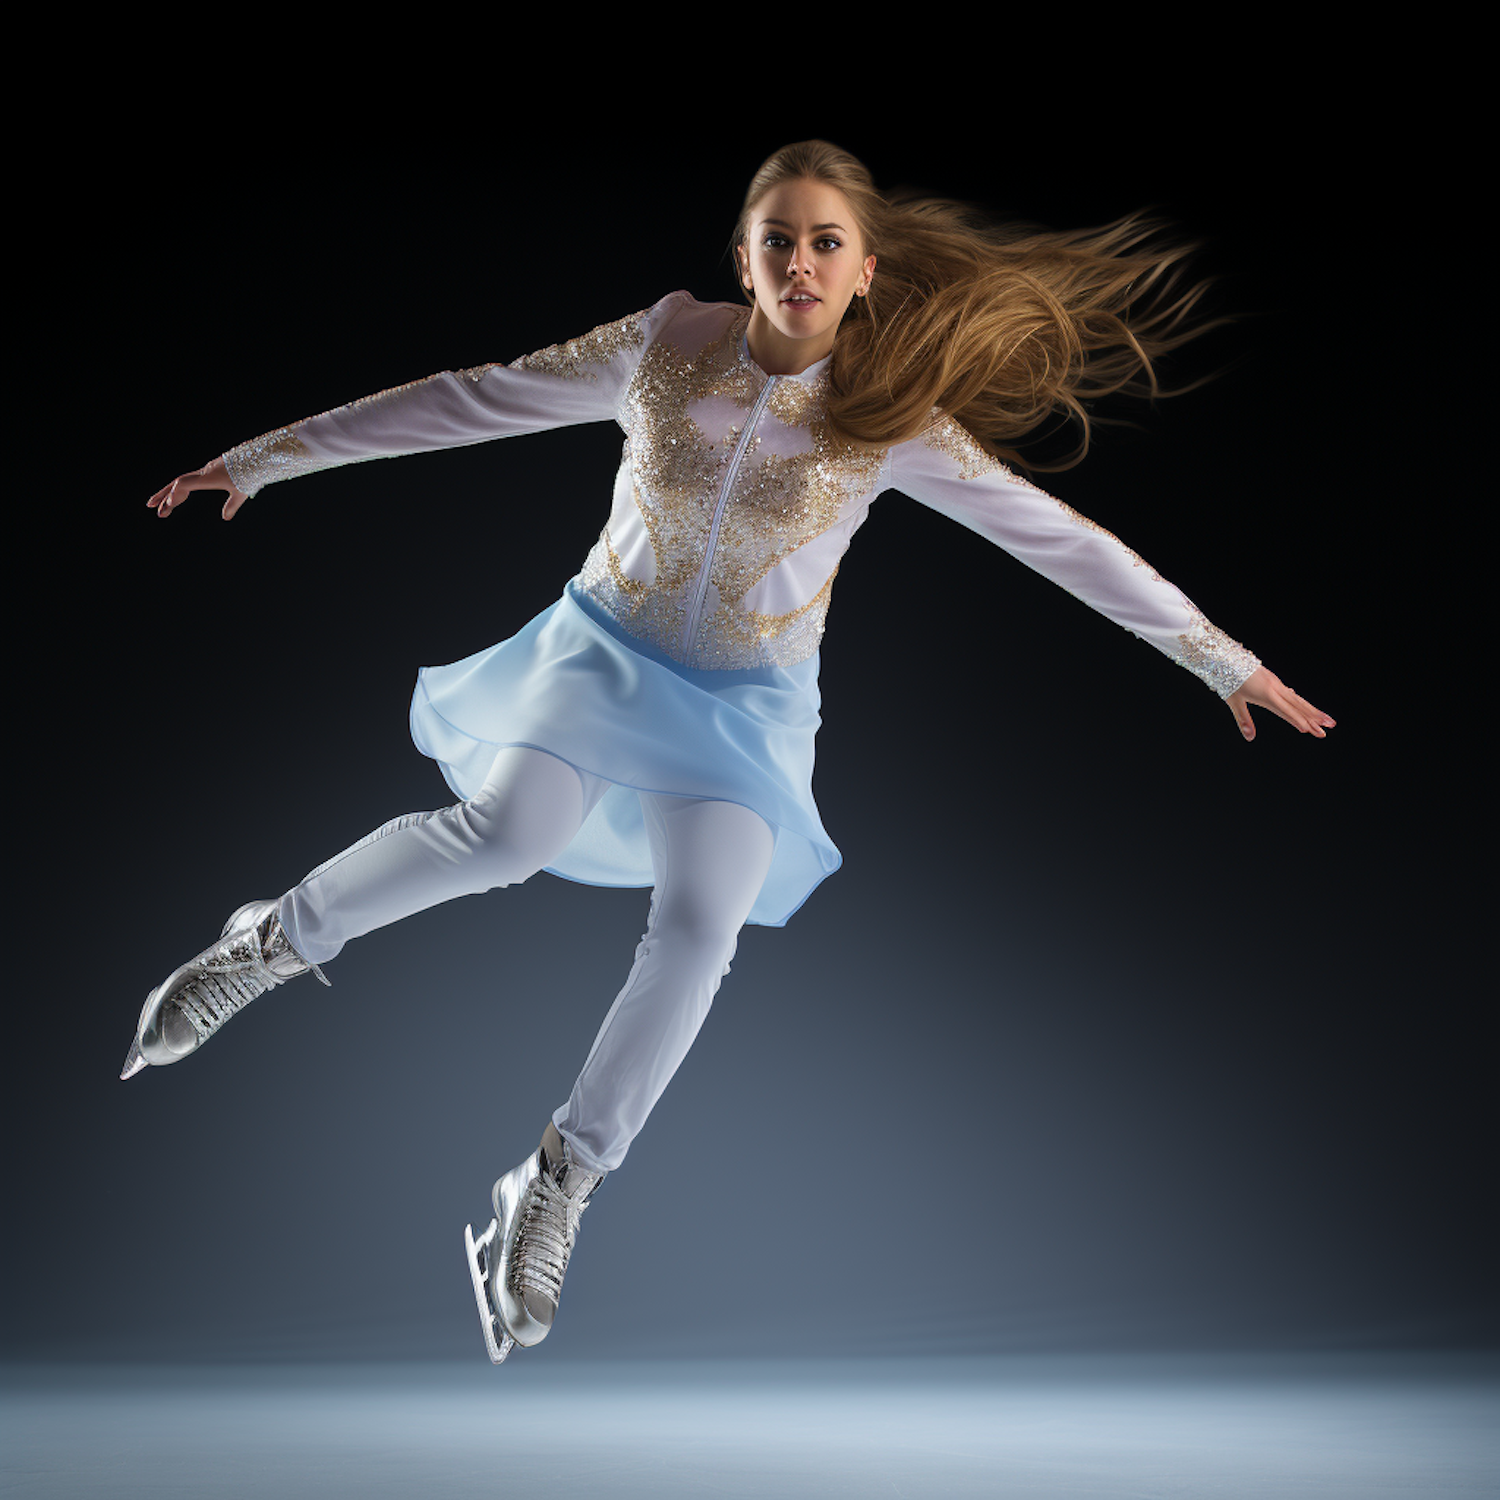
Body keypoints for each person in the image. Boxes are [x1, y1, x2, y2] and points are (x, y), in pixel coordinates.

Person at [120, 140, 1335, 1366]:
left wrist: (1217, 657)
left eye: (824, 244)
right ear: (743, 256)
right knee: (508, 832)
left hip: (748, 705)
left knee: (705, 922)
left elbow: (1061, 538)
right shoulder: (662, 345)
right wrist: (272, 455)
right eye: (776, 239)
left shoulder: (892, 417)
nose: (798, 263)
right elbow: (469, 396)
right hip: (601, 653)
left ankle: (552, 1185)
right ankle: (268, 942)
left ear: (865, 272)